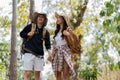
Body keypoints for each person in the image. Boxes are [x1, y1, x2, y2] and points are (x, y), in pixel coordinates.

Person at [20, 12, 51, 80]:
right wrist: (28, 34)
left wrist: (50, 54)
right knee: (27, 73)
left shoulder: (46, 32)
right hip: (28, 52)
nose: (40, 18)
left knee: (37, 74)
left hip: (39, 55)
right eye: (39, 16)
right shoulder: (30, 26)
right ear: (36, 18)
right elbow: (21, 34)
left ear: (44, 20)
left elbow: (48, 45)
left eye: (42, 17)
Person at [51, 12, 76, 80]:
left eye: (59, 17)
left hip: (65, 52)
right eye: (57, 18)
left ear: (63, 19)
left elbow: (72, 43)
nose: (57, 19)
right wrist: (51, 55)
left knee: (65, 73)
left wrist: (68, 35)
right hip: (57, 52)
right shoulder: (56, 31)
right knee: (57, 73)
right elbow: (55, 44)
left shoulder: (68, 30)